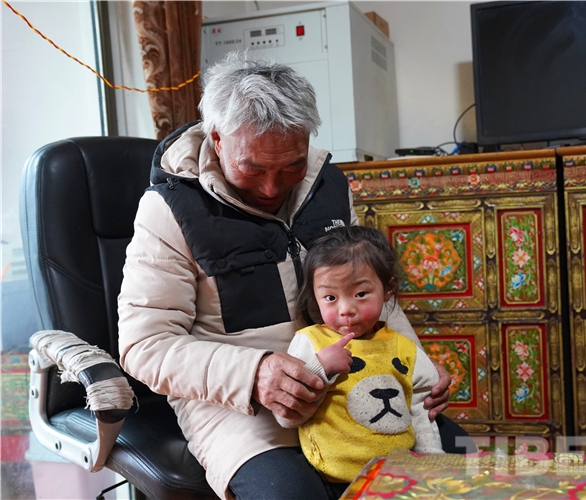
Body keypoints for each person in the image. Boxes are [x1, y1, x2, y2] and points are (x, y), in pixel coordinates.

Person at [117, 52, 470, 500]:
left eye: (291, 166)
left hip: (354, 380)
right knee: (291, 493)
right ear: (218, 139)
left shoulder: (328, 187)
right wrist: (256, 373)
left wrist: (417, 366)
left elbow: (370, 291)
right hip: (242, 406)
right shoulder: (169, 209)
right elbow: (144, 345)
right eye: (253, 168)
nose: (272, 188)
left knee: (458, 461)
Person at [276, 226, 445, 498]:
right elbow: (286, 417)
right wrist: (321, 368)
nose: (346, 309)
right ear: (315, 298)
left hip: (398, 475)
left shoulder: (404, 348)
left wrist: (431, 458)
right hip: (335, 477)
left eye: (361, 294)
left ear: (388, 289)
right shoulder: (310, 342)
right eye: (330, 298)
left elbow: (422, 407)